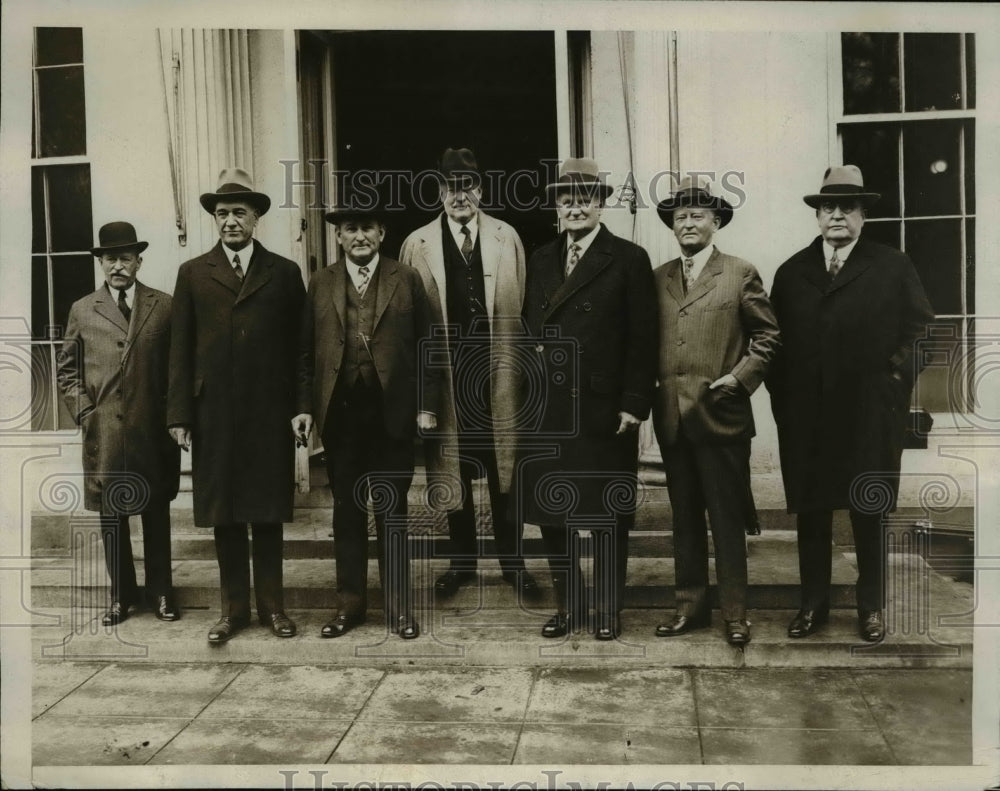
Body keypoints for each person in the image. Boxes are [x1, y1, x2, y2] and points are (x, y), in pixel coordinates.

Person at [768, 165, 934, 643]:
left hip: (869, 413)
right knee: (813, 512)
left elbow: (925, 329)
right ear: (817, 216)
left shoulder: (892, 264)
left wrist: (893, 379)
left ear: (863, 215)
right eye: (827, 207)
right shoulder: (793, 270)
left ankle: (870, 608)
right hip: (809, 418)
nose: (836, 215)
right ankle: (812, 606)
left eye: (847, 207)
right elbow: (773, 341)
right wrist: (785, 398)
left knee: (869, 510)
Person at [515, 158, 658, 640]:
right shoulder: (540, 258)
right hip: (548, 408)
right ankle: (569, 605)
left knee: (605, 514)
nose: (575, 207)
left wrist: (634, 402)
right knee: (552, 515)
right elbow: (527, 324)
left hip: (601, 409)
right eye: (566, 198)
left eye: (585, 198)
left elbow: (643, 337)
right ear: (557, 206)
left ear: (601, 203)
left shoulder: (629, 258)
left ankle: (608, 609)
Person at [167, 167, 305, 644]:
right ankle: (232, 612)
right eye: (222, 213)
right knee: (224, 514)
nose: (230, 221)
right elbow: (179, 351)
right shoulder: (193, 274)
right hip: (214, 416)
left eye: (239, 213)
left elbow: (301, 348)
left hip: (269, 413)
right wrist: (179, 414)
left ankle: (272, 609)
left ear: (256, 218)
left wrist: (301, 406)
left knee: (266, 513)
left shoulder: (284, 273)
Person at [293, 196, 440, 640]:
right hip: (340, 417)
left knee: (392, 513)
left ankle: (398, 610)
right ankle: (349, 606)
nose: (359, 236)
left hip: (391, 416)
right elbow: (303, 353)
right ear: (337, 236)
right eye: (350, 228)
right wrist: (303, 407)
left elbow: (429, 348)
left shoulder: (407, 279)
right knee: (348, 511)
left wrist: (427, 406)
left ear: (382, 234)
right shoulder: (320, 282)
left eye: (367, 228)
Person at [399, 147, 537, 599]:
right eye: (450, 187)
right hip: (448, 378)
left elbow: (528, 308)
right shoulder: (416, 243)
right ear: (438, 190)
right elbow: (407, 321)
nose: (460, 195)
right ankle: (460, 563)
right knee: (453, 470)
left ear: (480, 189)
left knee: (504, 469)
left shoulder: (507, 237)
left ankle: (513, 563)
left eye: (468, 186)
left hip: (498, 374)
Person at [651, 176, 781, 647]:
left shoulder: (739, 272)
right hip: (672, 419)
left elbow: (768, 338)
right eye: (680, 216)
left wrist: (739, 379)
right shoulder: (659, 276)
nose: (688, 223)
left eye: (698, 215)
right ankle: (690, 608)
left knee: (726, 520)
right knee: (683, 519)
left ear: (716, 221)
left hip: (721, 416)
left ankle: (735, 614)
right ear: (672, 225)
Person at [57, 221, 181, 626]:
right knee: (113, 517)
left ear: (138, 261)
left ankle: (162, 592)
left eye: (126, 258)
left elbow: (177, 368)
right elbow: (67, 371)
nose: (118, 266)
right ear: (101, 263)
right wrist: (86, 414)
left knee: (156, 513)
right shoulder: (82, 309)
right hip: (105, 432)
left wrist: (172, 416)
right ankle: (121, 596)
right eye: (110, 258)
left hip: (152, 430)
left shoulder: (163, 305)